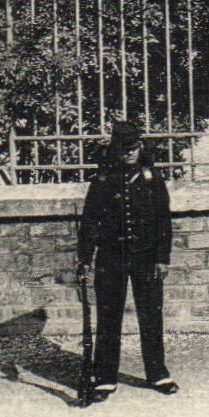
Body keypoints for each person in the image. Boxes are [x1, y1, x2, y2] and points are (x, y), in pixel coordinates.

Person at [76, 121, 177, 401]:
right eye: (125, 149)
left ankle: (157, 373)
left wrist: (162, 259)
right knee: (109, 317)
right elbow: (89, 221)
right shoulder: (102, 180)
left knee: (150, 315)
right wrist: (85, 257)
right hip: (111, 257)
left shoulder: (151, 178)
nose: (130, 153)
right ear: (115, 150)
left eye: (134, 148)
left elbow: (163, 222)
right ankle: (105, 378)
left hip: (146, 257)